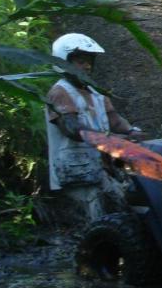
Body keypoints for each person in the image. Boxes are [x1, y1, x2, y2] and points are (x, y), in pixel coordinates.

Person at [45, 33, 140, 224]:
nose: (87, 66)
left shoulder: (96, 93)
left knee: (122, 213)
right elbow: (72, 128)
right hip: (78, 169)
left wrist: (133, 132)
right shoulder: (60, 92)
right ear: (63, 62)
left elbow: (114, 119)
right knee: (94, 221)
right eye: (80, 62)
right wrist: (111, 139)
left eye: (89, 61)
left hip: (102, 167)